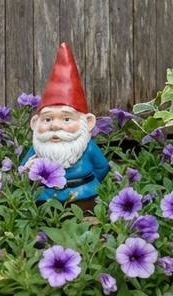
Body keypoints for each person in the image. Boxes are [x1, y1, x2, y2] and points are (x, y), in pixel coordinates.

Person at [21, 42, 109, 203]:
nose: (55, 126)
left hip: (84, 195)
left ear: (88, 122)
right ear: (34, 123)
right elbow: (23, 171)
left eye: (66, 119)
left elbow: (101, 167)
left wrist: (90, 185)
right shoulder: (37, 150)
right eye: (47, 119)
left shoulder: (87, 147)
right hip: (45, 197)